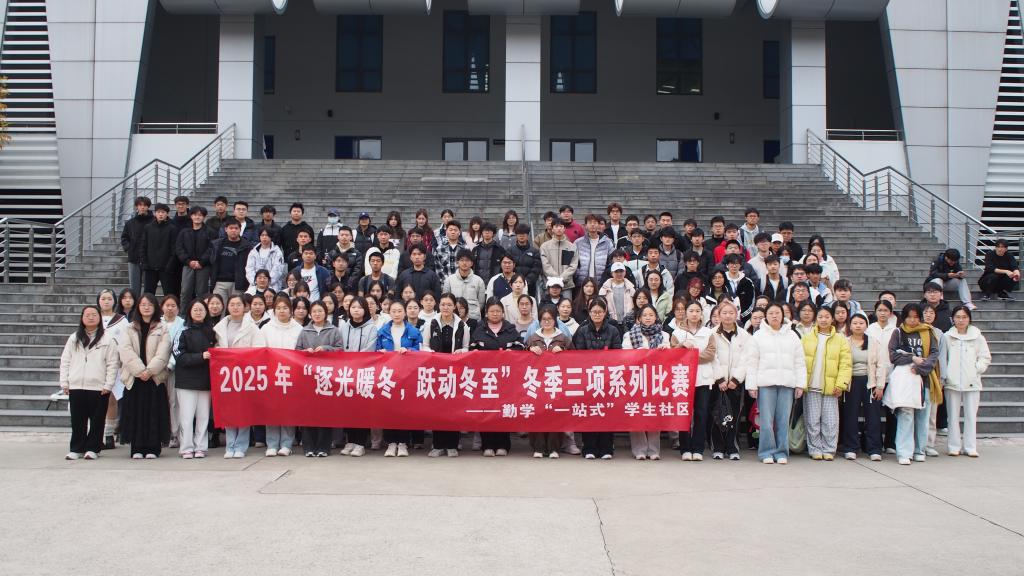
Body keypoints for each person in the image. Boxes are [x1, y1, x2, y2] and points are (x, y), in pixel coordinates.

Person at [745, 302, 807, 464]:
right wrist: (751, 385)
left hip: (787, 384)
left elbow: (800, 362)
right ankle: (766, 452)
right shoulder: (758, 336)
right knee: (766, 421)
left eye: (777, 313)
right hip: (766, 383)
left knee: (783, 420)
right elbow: (752, 362)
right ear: (766, 316)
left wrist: (800, 384)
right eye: (771, 313)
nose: (774, 316)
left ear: (782, 315)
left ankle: (781, 452)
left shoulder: (792, 335)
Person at [60, 306, 119, 460]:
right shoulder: (74, 338)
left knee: (97, 420)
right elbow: (65, 360)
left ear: (99, 318)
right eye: (87, 315)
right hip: (76, 385)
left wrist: (108, 384)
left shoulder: (107, 338)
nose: (91, 317)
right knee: (77, 420)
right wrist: (64, 382)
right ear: (82, 318)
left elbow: (112, 363)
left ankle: (93, 448)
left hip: (98, 386)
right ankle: (76, 448)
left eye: (94, 314)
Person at [118, 293, 172, 459]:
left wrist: (149, 371)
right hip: (134, 377)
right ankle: (136, 448)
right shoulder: (129, 328)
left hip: (154, 378)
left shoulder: (162, 328)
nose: (146, 307)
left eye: (149, 304)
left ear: (155, 307)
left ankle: (153, 448)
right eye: (143, 304)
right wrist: (140, 370)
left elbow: (163, 353)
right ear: (138, 307)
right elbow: (125, 350)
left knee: (153, 412)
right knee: (135, 412)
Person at [469, 298, 525, 456]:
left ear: (503, 313)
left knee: (503, 410)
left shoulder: (510, 329)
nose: (495, 314)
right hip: (485, 378)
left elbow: (521, 346)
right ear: (486, 313)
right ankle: (487, 445)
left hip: (505, 378)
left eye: (498, 311)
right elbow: (471, 348)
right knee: (486, 410)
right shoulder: (479, 329)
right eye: (492, 311)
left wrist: (511, 352)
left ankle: (503, 445)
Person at [213, 294, 267, 458]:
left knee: (243, 410)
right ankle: (230, 446)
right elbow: (216, 346)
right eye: (232, 304)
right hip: (226, 374)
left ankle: (241, 446)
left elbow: (259, 348)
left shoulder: (251, 327)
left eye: (238, 304)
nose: (235, 307)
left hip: (245, 373)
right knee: (229, 410)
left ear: (245, 307)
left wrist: (242, 357)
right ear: (227, 307)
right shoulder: (220, 327)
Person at [886, 303, 939, 466]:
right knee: (906, 415)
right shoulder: (898, 332)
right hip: (906, 380)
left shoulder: (928, 332)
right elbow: (893, 356)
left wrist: (920, 368)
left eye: (916, 317)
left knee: (923, 416)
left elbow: (934, 354)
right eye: (909, 317)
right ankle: (904, 452)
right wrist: (912, 358)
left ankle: (919, 450)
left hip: (925, 379)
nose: (912, 320)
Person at [419, 293, 470, 458]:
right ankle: (438, 444)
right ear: (438, 305)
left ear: (454, 306)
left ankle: (452, 444)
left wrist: (461, 351)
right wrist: (431, 352)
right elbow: (424, 345)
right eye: (443, 304)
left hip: (455, 372)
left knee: (453, 409)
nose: (446, 307)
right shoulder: (431, 323)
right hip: (436, 372)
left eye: (449, 304)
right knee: (437, 409)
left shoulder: (462, 325)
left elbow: (466, 347)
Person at [800, 306, 852, 461]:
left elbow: (846, 364)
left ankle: (829, 449)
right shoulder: (807, 338)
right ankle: (815, 449)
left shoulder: (841, 339)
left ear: (832, 318)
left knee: (830, 420)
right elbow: (799, 362)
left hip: (831, 388)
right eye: (820, 317)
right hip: (811, 386)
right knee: (812, 420)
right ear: (816, 318)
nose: (823, 320)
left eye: (827, 316)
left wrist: (841, 384)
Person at [940, 306, 992, 457]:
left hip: (972, 381)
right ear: (953, 319)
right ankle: (953, 446)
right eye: (958, 317)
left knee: (971, 416)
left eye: (964, 317)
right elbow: (943, 358)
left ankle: (970, 446)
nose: (961, 320)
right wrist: (946, 375)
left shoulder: (978, 337)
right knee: (952, 416)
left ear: (969, 318)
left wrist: (977, 369)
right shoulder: (947, 337)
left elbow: (985, 357)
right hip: (952, 381)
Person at [295, 300, 343, 458]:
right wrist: (305, 352)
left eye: (320, 311)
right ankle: (309, 447)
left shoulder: (334, 330)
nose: (317, 314)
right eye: (314, 311)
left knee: (325, 413)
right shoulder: (304, 331)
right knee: (308, 412)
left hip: (327, 377)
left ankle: (323, 447)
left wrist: (326, 349)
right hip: (308, 377)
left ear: (325, 313)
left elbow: (340, 350)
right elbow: (297, 351)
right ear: (310, 314)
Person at [623, 304, 670, 460]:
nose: (648, 317)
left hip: (656, 379)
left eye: (651, 315)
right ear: (639, 318)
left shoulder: (664, 335)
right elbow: (624, 356)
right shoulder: (630, 335)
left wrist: (664, 351)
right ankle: (639, 450)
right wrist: (638, 353)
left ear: (656, 317)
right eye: (645, 315)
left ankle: (654, 449)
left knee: (653, 412)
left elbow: (671, 357)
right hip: (636, 379)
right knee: (637, 412)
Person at [376, 300, 422, 457]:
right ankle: (391, 443)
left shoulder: (414, 331)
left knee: (404, 410)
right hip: (388, 375)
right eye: (393, 311)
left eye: (399, 311)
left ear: (404, 313)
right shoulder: (382, 331)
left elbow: (419, 350)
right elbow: (376, 350)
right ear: (389, 313)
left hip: (406, 375)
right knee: (388, 409)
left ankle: (403, 443)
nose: (396, 314)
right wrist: (380, 352)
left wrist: (409, 350)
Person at [526, 306, 573, 459]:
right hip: (537, 382)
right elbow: (522, 357)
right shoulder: (533, 337)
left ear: (555, 320)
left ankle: (554, 448)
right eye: (544, 319)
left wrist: (564, 350)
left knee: (555, 414)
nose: (546, 322)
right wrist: (530, 349)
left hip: (556, 382)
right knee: (538, 414)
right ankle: (538, 447)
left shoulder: (563, 337)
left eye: (550, 319)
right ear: (539, 321)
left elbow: (575, 357)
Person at [672, 301, 717, 461]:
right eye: (691, 310)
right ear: (686, 312)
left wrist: (690, 355)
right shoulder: (677, 333)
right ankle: (685, 448)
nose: (694, 314)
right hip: (683, 378)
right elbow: (673, 354)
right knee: (684, 414)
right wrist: (682, 346)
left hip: (703, 378)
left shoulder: (708, 332)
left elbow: (710, 354)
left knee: (701, 413)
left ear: (701, 313)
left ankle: (698, 448)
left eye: (697, 311)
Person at [173, 300, 217, 459]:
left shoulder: (212, 332)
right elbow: (179, 355)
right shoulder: (182, 331)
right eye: (195, 310)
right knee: (186, 416)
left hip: (205, 381)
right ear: (190, 312)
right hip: (186, 381)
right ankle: (186, 447)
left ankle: (201, 447)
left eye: (201, 310)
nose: (198, 312)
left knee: (203, 416)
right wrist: (201, 356)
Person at [840, 311, 887, 461]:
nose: (858, 326)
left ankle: (874, 449)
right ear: (850, 325)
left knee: (873, 417)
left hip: (870, 383)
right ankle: (851, 448)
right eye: (855, 323)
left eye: (861, 323)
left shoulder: (874, 342)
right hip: (851, 382)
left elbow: (881, 365)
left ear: (866, 325)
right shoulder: (844, 342)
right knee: (850, 416)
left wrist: (880, 386)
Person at [260, 295, 304, 456]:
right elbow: (260, 350)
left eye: (285, 308)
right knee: (271, 409)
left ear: (291, 311)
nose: (282, 311)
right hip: (271, 374)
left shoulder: (298, 329)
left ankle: (286, 443)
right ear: (274, 310)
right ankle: (272, 444)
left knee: (288, 410)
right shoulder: (266, 328)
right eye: (278, 308)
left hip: (291, 375)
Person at [708, 300, 750, 460]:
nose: (727, 316)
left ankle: (732, 447)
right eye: (724, 313)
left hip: (735, 383)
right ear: (718, 315)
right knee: (717, 414)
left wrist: (736, 379)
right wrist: (720, 379)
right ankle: (718, 447)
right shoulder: (712, 333)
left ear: (736, 315)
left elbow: (746, 359)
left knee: (734, 415)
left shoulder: (744, 335)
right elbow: (712, 358)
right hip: (718, 383)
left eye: (731, 313)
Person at [336, 296, 377, 457]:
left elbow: (370, 349)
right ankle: (350, 441)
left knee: (362, 409)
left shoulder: (371, 328)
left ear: (365, 310)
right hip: (346, 373)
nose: (356, 310)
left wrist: (355, 361)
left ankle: (360, 443)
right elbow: (340, 347)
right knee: (348, 409)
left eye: (359, 307)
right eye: (353, 307)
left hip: (363, 372)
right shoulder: (343, 327)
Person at [176, 206, 217, 308]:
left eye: (200, 215)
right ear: (191, 216)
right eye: (195, 215)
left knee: (202, 292)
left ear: (204, 217)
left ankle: (202, 312)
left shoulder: (210, 232)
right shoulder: (184, 232)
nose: (197, 217)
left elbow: (212, 248)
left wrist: (201, 262)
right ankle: (183, 314)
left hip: (203, 266)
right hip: (188, 265)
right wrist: (188, 261)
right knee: (185, 291)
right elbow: (179, 248)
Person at [209, 219, 255, 302]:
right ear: (226, 229)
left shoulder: (247, 246)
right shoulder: (217, 244)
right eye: (231, 228)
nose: (233, 230)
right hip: (220, 282)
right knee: (219, 306)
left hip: (238, 283)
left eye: (236, 228)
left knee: (236, 307)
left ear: (240, 230)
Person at [140, 203, 179, 296]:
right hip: (150, 267)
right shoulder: (148, 228)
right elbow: (143, 246)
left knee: (169, 294)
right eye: (158, 212)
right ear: (155, 213)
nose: (160, 214)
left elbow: (174, 249)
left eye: (163, 212)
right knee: (148, 294)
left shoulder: (172, 229)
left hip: (166, 268)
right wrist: (145, 263)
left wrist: (169, 265)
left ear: (167, 214)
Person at [121, 196, 153, 295]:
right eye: (140, 205)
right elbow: (124, 237)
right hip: (134, 258)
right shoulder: (130, 223)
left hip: (149, 259)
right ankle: (135, 304)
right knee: (134, 288)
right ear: (136, 207)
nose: (142, 207)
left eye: (145, 205)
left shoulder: (154, 221)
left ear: (148, 207)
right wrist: (129, 248)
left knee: (149, 287)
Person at [442, 249, 486, 321]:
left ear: (472, 263)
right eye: (462, 260)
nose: (464, 263)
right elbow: (445, 300)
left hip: (473, 318)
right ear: (457, 262)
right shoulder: (449, 280)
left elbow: (481, 303)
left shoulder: (479, 281)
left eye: (467, 260)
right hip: (453, 318)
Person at [540, 220, 579, 298]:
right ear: (552, 229)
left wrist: (562, 278)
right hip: (550, 285)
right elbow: (545, 265)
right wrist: (556, 279)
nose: (559, 229)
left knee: (566, 305)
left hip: (566, 285)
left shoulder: (571, 247)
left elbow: (573, 265)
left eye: (561, 226)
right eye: (556, 226)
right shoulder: (545, 246)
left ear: (564, 229)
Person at [575, 214, 614, 287]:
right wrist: (578, 274)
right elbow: (574, 262)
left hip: (601, 283)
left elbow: (612, 261)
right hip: (582, 283)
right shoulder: (578, 242)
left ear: (598, 225)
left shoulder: (607, 242)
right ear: (585, 226)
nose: (592, 225)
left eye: (595, 222)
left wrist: (606, 276)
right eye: (590, 222)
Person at [246, 226, 287, 290]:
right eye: (262, 235)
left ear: (271, 237)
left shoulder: (277, 252)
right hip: (255, 285)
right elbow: (249, 269)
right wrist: (255, 282)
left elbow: (277, 270)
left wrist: (267, 282)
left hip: (272, 286)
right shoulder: (253, 252)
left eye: (267, 235)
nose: (264, 237)